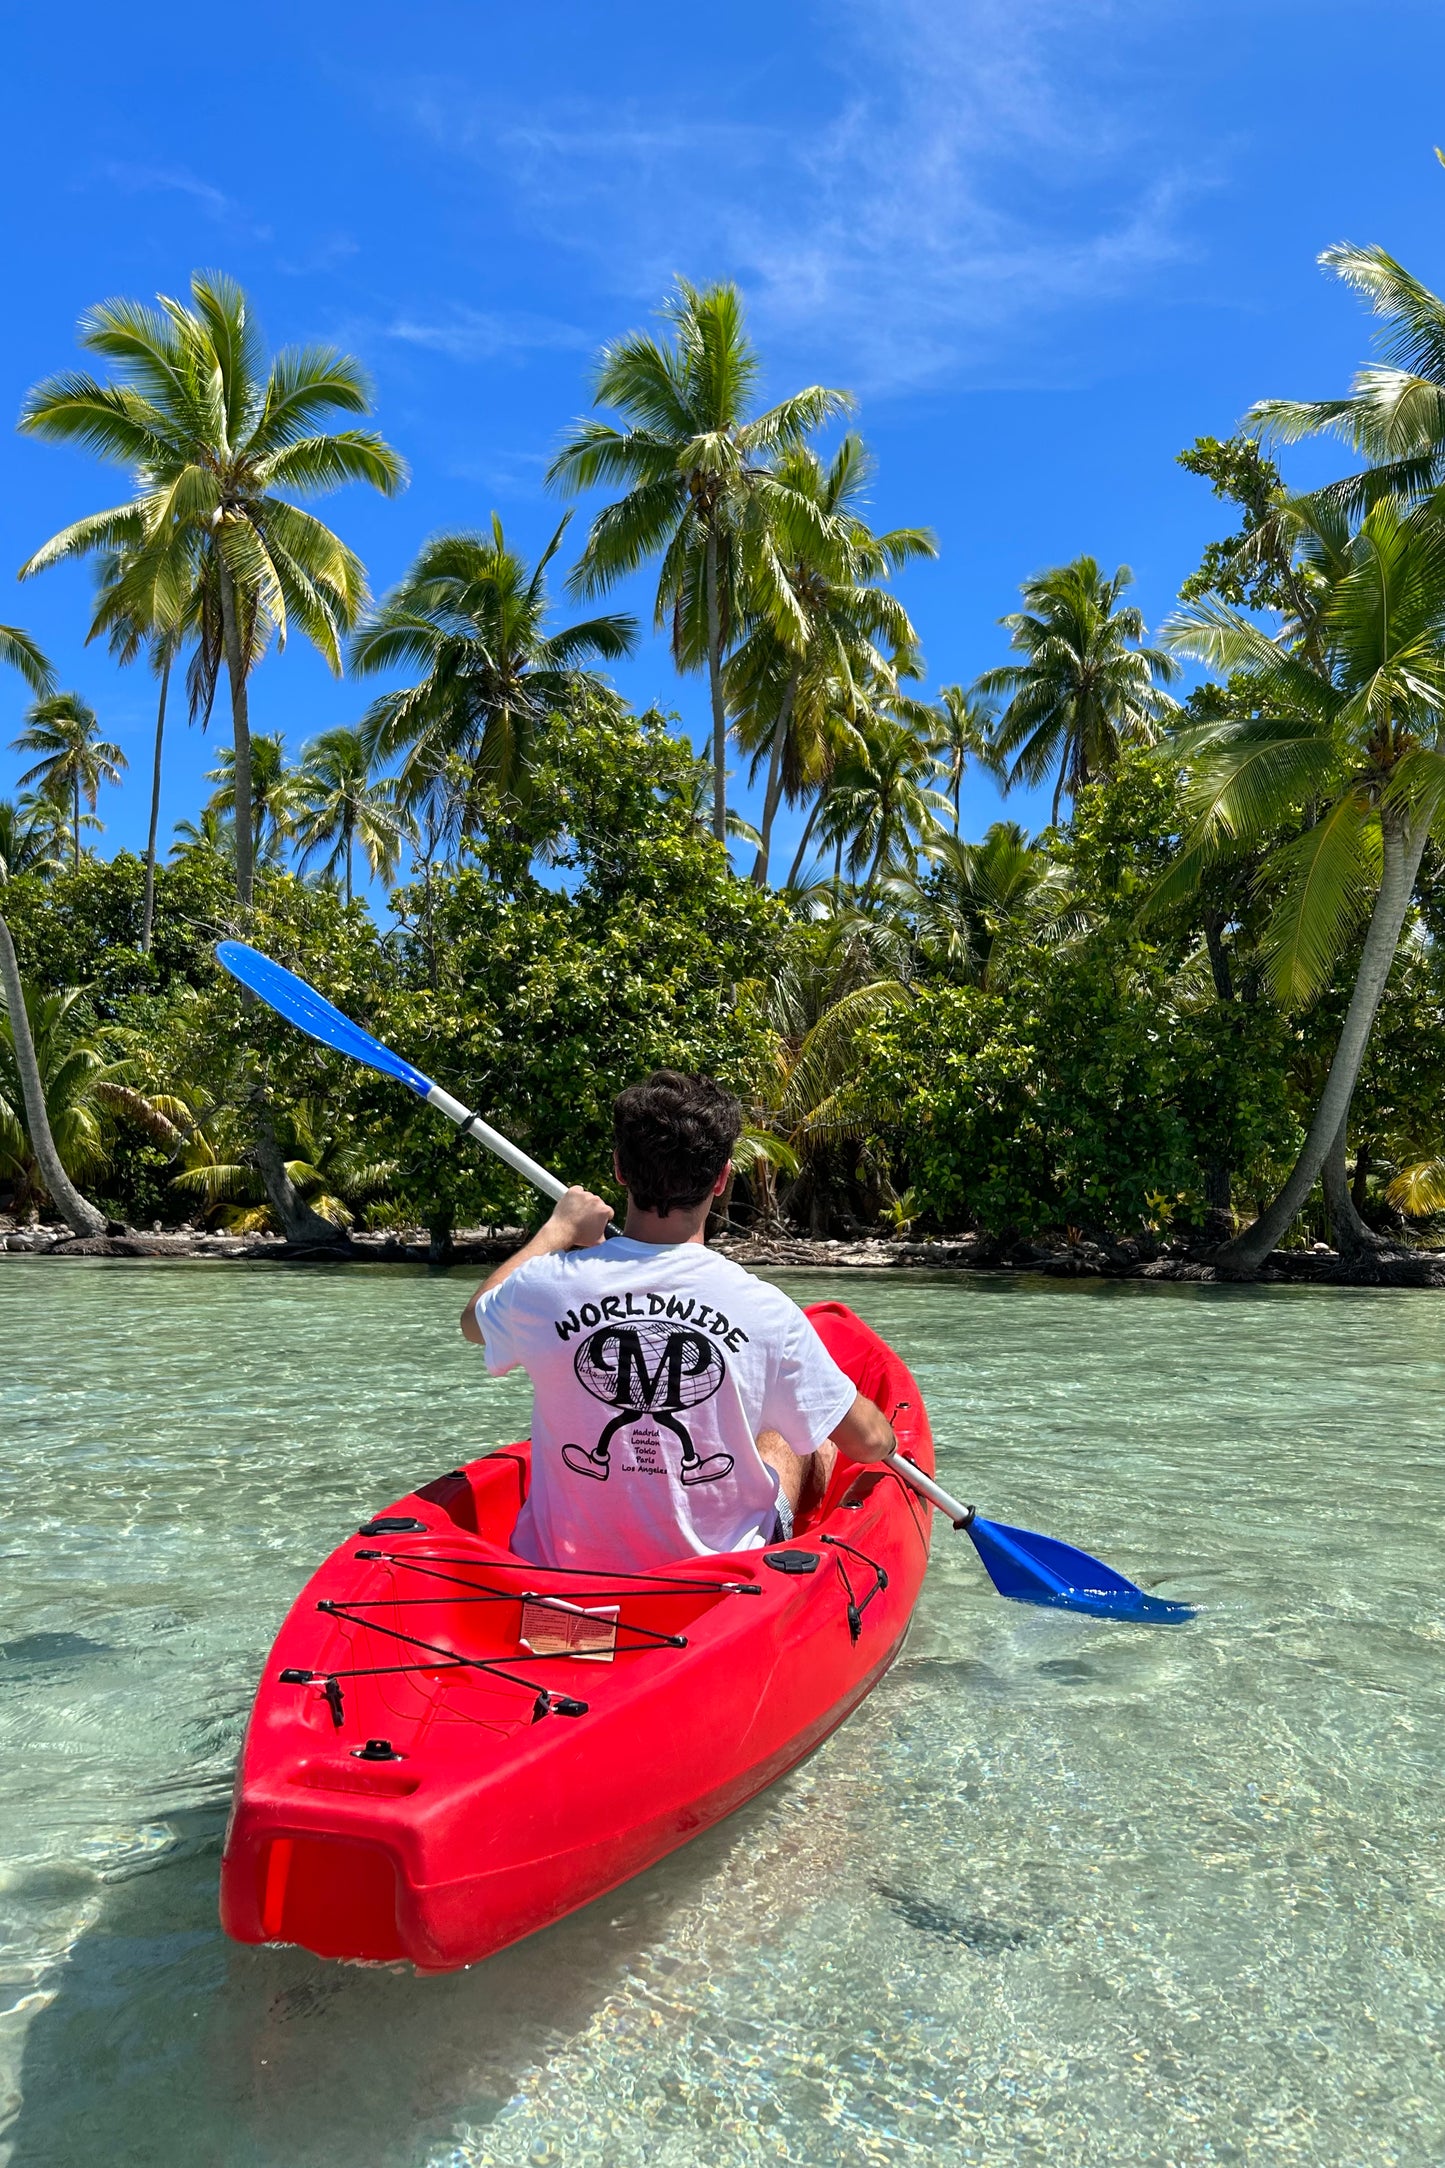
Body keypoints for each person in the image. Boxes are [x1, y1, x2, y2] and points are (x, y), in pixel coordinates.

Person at [461, 1070, 899, 1570]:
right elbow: (867, 1444)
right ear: (721, 1178)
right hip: (711, 1588)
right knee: (803, 1433)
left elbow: (475, 1320)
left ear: (620, 1168)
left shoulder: (542, 1286)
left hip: (559, 1572)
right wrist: (884, 1433)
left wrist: (558, 1228)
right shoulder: (765, 1309)